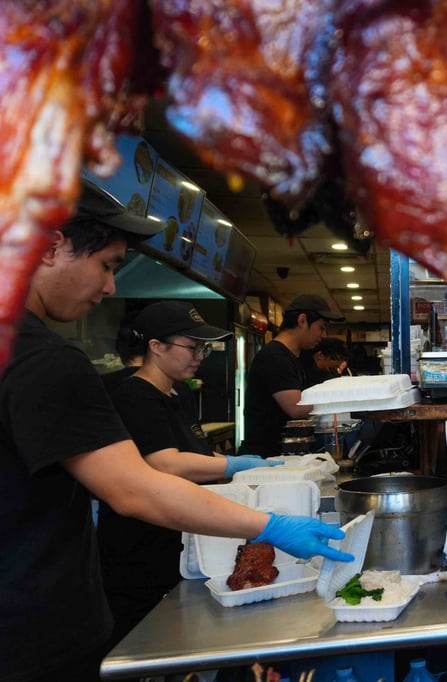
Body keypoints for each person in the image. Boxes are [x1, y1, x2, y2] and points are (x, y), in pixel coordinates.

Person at [0, 181, 353, 682]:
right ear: (53, 245)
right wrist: (268, 526)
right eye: (107, 265)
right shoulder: (46, 361)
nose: (110, 289)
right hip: (34, 632)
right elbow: (135, 488)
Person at [100, 300, 283, 649]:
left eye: (204, 347)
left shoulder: (177, 391)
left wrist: (245, 467)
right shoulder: (135, 395)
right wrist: (233, 465)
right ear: (156, 346)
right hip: (141, 545)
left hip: (178, 535)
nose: (200, 355)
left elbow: (194, 452)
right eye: (192, 346)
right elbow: (166, 463)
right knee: (144, 644)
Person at [239, 294, 342, 457]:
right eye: (321, 327)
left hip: (280, 454)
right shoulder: (274, 357)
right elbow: (296, 408)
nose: (323, 335)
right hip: (263, 457)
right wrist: (342, 398)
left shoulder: (294, 357)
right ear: (302, 321)